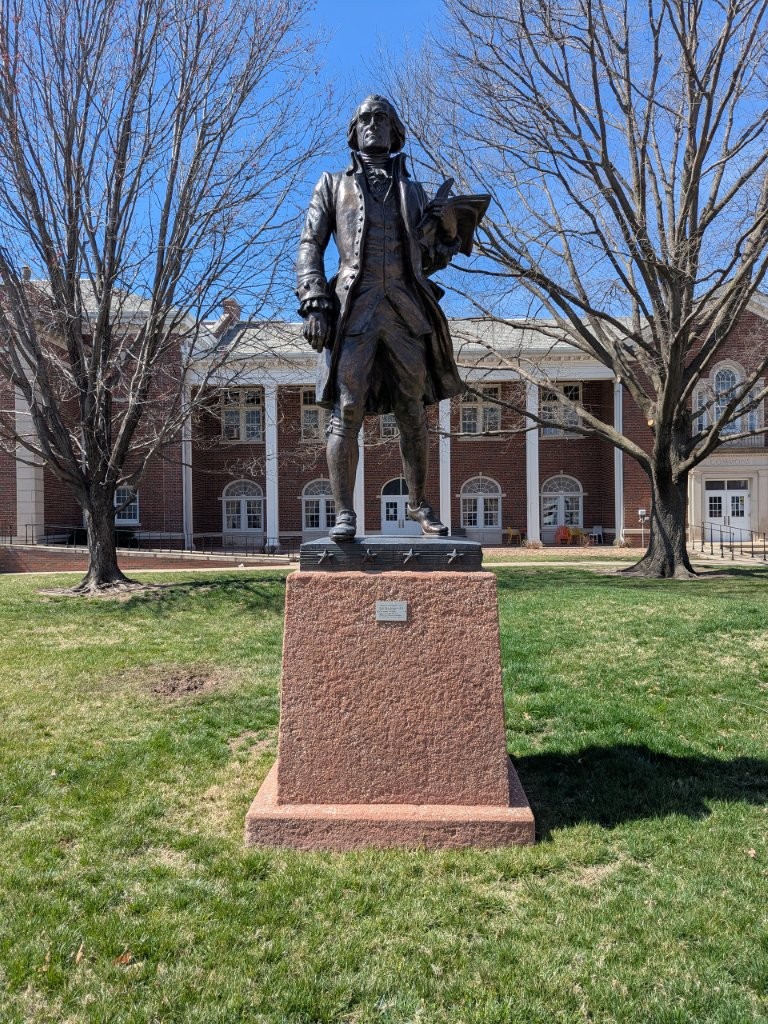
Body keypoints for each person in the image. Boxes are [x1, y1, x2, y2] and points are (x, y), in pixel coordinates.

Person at [296, 95, 466, 541]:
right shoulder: (332, 185)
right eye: (365, 119)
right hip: (356, 308)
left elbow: (428, 261)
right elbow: (310, 245)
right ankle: (344, 514)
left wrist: (446, 227)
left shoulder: (414, 192)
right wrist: (315, 300)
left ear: (395, 131)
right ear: (355, 130)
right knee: (346, 410)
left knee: (413, 411)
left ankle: (420, 505)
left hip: (406, 311)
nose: (373, 125)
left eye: (382, 119)